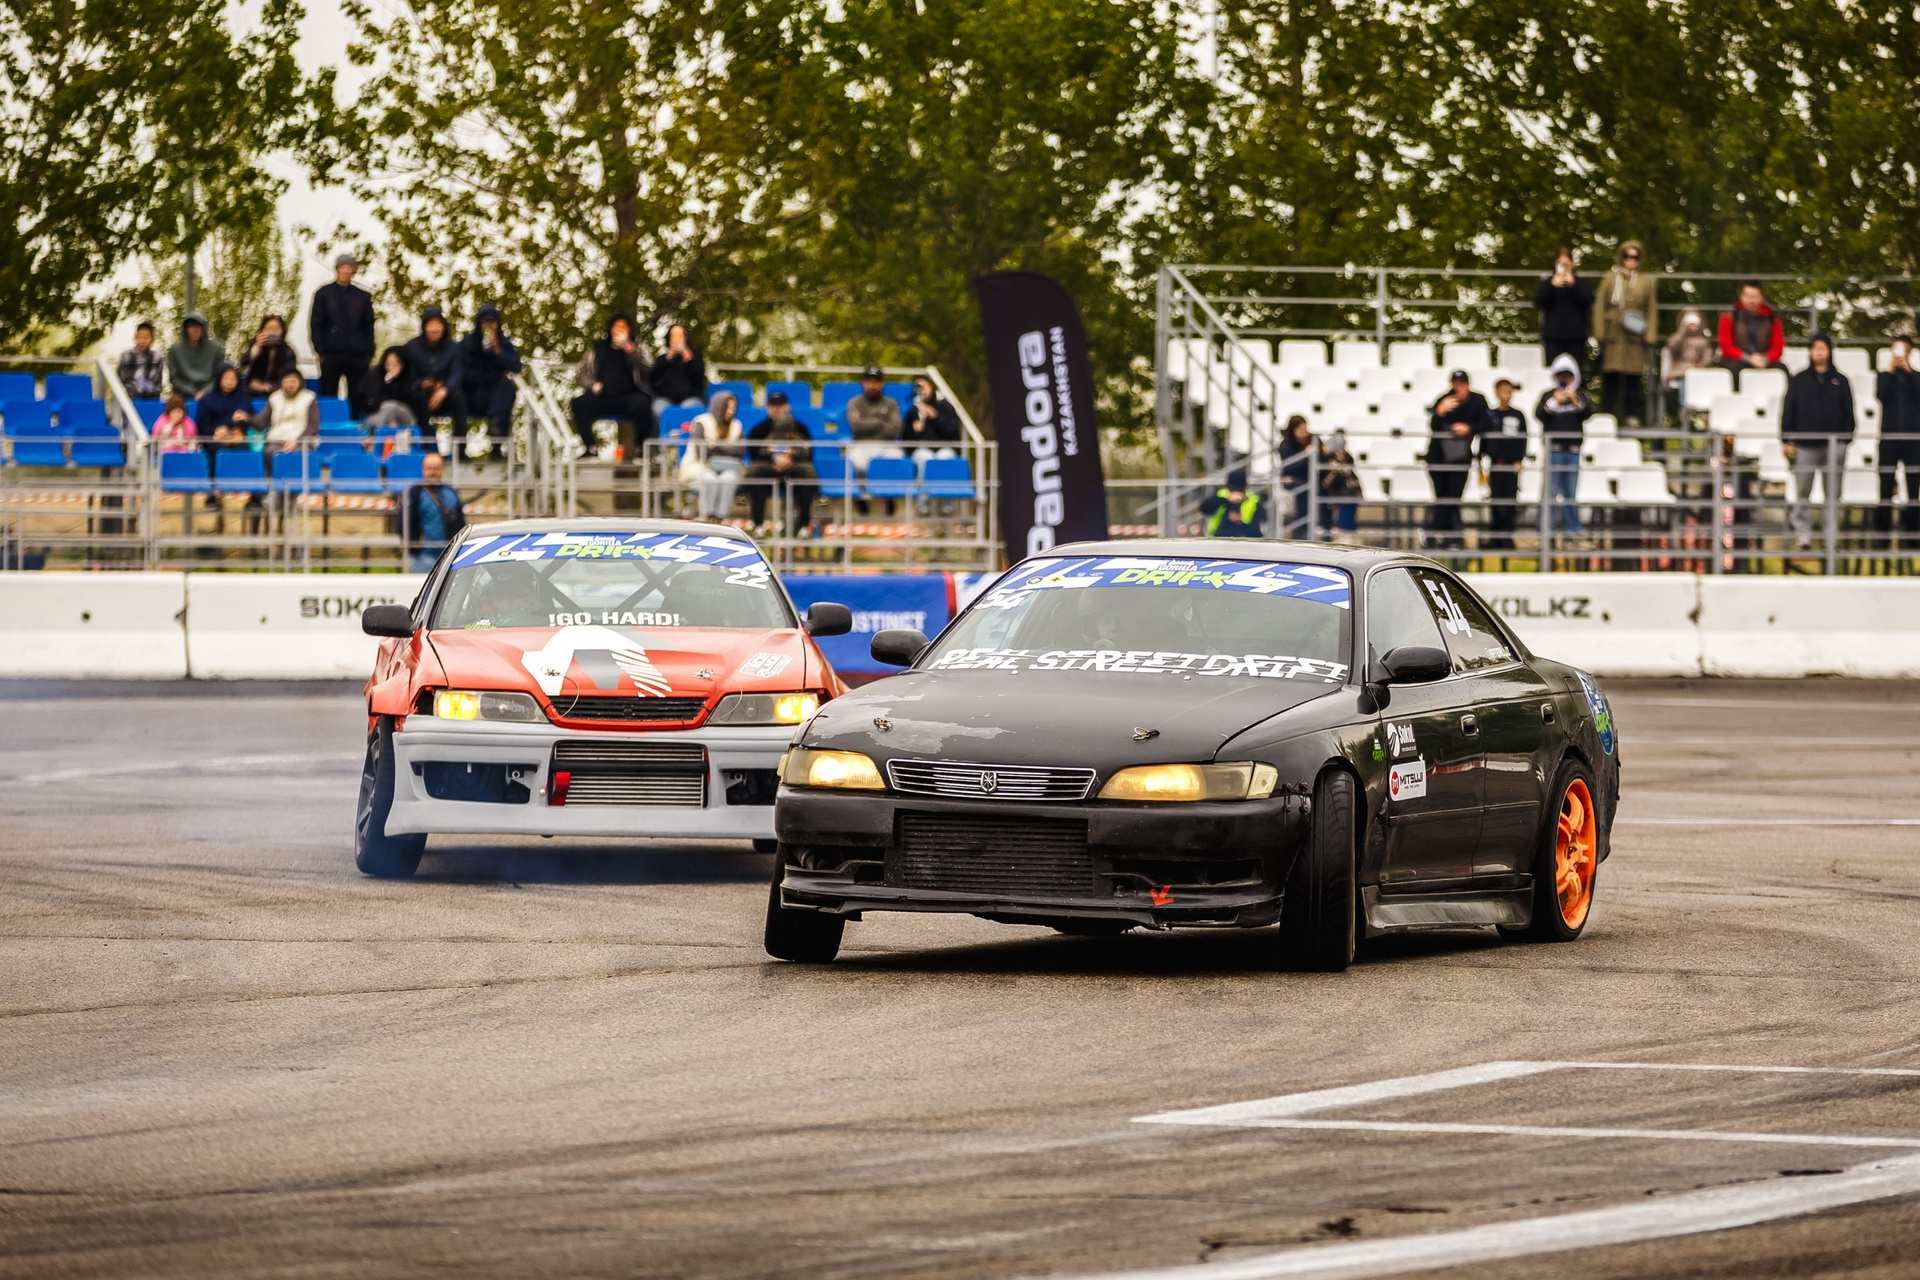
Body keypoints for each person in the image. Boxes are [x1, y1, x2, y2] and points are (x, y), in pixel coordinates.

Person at [1780, 334, 1856, 550]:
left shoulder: (1841, 381)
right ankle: (1802, 536)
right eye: (1816, 348)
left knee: (1832, 495)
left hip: (1834, 446)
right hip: (1805, 445)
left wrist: (1844, 440)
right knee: (1802, 492)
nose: (1819, 352)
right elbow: (1788, 410)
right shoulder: (1799, 380)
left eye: (1823, 348)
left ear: (1830, 351)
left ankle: (1830, 537)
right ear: (1810, 351)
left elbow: (1849, 413)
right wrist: (1786, 439)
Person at [1591, 239, 1657, 425]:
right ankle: (1607, 417)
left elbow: (1651, 309)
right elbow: (1599, 306)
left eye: (1635, 257)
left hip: (1635, 337)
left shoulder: (1645, 281)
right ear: (1621, 257)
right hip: (1613, 337)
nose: (1631, 260)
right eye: (1627, 256)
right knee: (1610, 380)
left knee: (1633, 380)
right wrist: (1599, 333)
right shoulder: (1609, 278)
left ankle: (1631, 417)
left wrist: (1650, 336)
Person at [570, 313, 654, 455]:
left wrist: (629, 349)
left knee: (644, 404)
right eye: (616, 327)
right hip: (604, 396)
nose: (619, 331)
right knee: (578, 404)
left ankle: (640, 448)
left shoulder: (638, 347)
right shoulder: (597, 349)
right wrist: (592, 385)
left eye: (623, 327)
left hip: (630, 397)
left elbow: (649, 368)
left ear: (628, 330)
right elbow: (580, 375)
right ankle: (591, 448)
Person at [1425, 369, 1490, 548]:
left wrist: (1468, 428)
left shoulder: (1477, 401)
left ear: (1468, 385)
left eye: (1461, 384)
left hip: (1460, 458)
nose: (1458, 387)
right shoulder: (1444, 399)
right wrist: (1440, 411)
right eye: (1455, 383)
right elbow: (1433, 425)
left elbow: (1486, 423)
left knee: (1453, 496)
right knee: (1442, 497)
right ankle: (1448, 536)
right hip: (1438, 457)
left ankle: (1435, 531)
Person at [1535, 353, 1595, 539]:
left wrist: (1574, 400)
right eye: (1560, 375)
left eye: (1568, 375)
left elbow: (1589, 413)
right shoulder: (1548, 395)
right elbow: (1539, 414)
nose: (1564, 379)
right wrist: (1555, 401)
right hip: (1554, 450)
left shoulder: (1581, 395)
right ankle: (1547, 530)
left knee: (1570, 492)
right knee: (1550, 492)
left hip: (1573, 451)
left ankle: (1573, 529)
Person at [742, 391, 818, 535]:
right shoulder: (758, 430)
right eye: (773, 405)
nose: (776, 409)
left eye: (780, 405)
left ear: (787, 406)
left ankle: (804, 527)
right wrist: (773, 457)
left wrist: (791, 456)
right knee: (756, 474)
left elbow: (809, 455)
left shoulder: (801, 429)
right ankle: (758, 525)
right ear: (767, 407)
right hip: (769, 473)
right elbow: (754, 455)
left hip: (794, 472)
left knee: (806, 473)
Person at [309, 253, 376, 414]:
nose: (346, 271)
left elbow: (368, 326)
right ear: (337, 269)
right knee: (329, 392)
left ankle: (356, 423)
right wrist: (320, 350)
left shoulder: (362, 296)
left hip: (357, 355)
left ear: (353, 271)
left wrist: (369, 352)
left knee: (358, 394)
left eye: (349, 268)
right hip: (331, 353)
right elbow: (316, 324)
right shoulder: (324, 293)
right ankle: (329, 422)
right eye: (343, 267)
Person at [458, 303, 522, 454]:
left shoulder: (504, 343)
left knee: (506, 387)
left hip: (495, 396)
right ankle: (460, 449)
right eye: (485, 322)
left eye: (492, 322)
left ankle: (497, 443)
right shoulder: (468, 344)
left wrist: (499, 352)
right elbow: (463, 371)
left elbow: (516, 366)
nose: (489, 326)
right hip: (473, 393)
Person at [1875, 336, 1920, 549]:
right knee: (1885, 488)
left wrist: (1908, 371)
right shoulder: (1884, 377)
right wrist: (1891, 370)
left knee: (1913, 489)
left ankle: (1912, 534)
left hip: (1913, 440)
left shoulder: (1916, 377)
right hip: (1889, 439)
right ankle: (1882, 536)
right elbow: (1881, 396)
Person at [677, 389, 747, 521]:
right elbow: (702, 453)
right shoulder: (702, 422)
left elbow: (740, 451)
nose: (731, 411)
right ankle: (707, 517)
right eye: (728, 407)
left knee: (729, 479)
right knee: (710, 479)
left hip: (729, 469)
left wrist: (716, 446)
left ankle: (721, 517)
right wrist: (728, 448)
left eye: (734, 408)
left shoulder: (737, 426)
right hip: (700, 468)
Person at [402, 306, 468, 433]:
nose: (434, 329)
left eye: (438, 324)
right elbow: (408, 374)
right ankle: (425, 440)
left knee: (459, 397)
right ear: (424, 327)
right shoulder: (412, 347)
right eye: (430, 325)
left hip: (446, 393)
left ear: (444, 327)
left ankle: (460, 443)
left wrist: (445, 388)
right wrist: (422, 383)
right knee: (418, 397)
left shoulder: (454, 348)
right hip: (421, 393)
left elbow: (458, 372)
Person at [398, 450, 466, 573]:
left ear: (443, 469)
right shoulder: (414, 493)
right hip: (422, 557)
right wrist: (415, 551)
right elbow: (403, 524)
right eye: (429, 468)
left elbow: (460, 524)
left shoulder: (451, 493)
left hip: (449, 556)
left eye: (437, 468)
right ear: (423, 469)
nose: (433, 472)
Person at [1482, 377, 1530, 549]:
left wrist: (1519, 460)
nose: (1507, 395)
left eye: (1509, 392)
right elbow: (1484, 439)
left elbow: (1523, 439)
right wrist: (1481, 459)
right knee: (1495, 501)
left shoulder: (1518, 415)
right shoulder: (1491, 415)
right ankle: (1495, 537)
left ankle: (1508, 537)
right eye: (1504, 392)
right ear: (1497, 393)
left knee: (1510, 502)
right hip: (1495, 464)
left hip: (1511, 466)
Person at [1534, 248, 1593, 373]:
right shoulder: (1547, 283)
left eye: (1566, 264)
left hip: (1576, 337)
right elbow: (1539, 302)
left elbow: (1589, 300)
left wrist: (1573, 285)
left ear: (1572, 264)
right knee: (1552, 371)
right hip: (1553, 337)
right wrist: (1552, 286)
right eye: (1561, 264)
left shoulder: (1581, 283)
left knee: (1576, 372)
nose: (1564, 267)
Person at [843, 365, 903, 487]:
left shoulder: (891, 403)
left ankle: (886, 495)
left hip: (887, 446)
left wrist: (865, 421)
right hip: (861, 445)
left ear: (882, 384)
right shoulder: (854, 402)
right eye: (869, 381)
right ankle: (863, 494)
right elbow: (856, 425)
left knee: (897, 459)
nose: (872, 385)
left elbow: (895, 430)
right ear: (863, 383)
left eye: (876, 382)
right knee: (856, 462)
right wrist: (880, 421)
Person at [1717, 281, 1786, 374]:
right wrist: (1748, 359)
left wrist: (1764, 359)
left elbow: (1777, 349)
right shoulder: (1728, 317)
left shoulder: (1772, 319)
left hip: (1763, 359)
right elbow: (1726, 347)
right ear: (1741, 297)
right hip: (1737, 359)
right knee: (1734, 369)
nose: (1751, 301)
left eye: (1755, 297)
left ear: (1761, 297)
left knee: (1782, 369)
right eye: (1747, 296)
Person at [1664, 310, 1718, 421]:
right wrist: (1682, 332)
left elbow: (1708, 355)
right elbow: (1671, 346)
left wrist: (1703, 364)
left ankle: (1704, 410)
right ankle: (1685, 407)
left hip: (1699, 371)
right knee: (1686, 380)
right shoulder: (1678, 338)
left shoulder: (1704, 341)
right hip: (1681, 370)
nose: (1692, 327)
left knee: (1706, 382)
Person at [649, 323, 707, 419]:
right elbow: (653, 381)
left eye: (679, 336)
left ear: (685, 338)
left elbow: (699, 377)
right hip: (665, 400)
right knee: (657, 408)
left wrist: (687, 357)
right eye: (673, 336)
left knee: (690, 410)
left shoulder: (695, 357)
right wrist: (666, 361)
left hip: (691, 399)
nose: (676, 340)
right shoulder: (661, 360)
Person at [255, 367, 319, 452]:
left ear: (300, 382)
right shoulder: (274, 398)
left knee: (297, 453)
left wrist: (297, 441)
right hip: (277, 441)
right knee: (271, 452)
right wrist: (247, 418)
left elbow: (313, 426)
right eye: (286, 382)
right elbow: (261, 422)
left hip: (302, 442)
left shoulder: (310, 397)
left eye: (293, 382)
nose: (290, 385)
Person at [899, 374, 961, 460]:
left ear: (931, 387)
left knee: (943, 458)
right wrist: (914, 431)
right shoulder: (913, 411)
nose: (921, 391)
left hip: (945, 448)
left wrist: (936, 417)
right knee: (925, 458)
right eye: (917, 388)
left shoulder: (945, 406)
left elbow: (952, 432)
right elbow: (905, 440)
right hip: (921, 450)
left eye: (923, 387)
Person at [358, 346, 419, 430]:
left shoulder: (408, 376)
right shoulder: (375, 375)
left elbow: (409, 399)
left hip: (403, 417)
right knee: (389, 406)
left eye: (396, 364)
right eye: (388, 364)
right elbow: (373, 401)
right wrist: (388, 380)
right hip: (378, 415)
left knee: (394, 406)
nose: (391, 368)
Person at [166, 312, 224, 398]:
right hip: (182, 394)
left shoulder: (216, 348)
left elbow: (219, 376)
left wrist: (205, 391)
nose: (195, 330)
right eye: (191, 327)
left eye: (198, 327)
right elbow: (174, 378)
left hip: (210, 393)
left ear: (204, 329)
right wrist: (192, 391)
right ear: (186, 329)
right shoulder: (175, 349)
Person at [1316, 430, 1361, 541]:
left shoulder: (1337, 458)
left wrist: (1323, 485)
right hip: (1347, 495)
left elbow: (1332, 478)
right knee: (1347, 524)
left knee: (1345, 525)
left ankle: (1349, 544)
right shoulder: (1344, 456)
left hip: (1346, 495)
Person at [1200, 467, 1268, 538]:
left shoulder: (1253, 501)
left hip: (1244, 541)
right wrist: (1225, 500)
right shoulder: (1220, 496)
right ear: (1246, 485)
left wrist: (1240, 522)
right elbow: (1204, 508)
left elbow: (1258, 532)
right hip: (1217, 539)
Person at [241, 315, 300, 396]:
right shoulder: (256, 345)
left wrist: (267, 387)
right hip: (252, 391)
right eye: (268, 329)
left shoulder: (287, 351)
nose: (271, 333)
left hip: (278, 393)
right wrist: (256, 347)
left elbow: (289, 374)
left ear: (283, 331)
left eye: (275, 329)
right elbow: (243, 362)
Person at [1276, 414, 1315, 538]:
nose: (1304, 433)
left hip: (1311, 483)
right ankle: (1298, 534)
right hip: (1295, 486)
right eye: (1300, 430)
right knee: (1294, 514)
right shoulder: (1286, 445)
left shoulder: (1313, 439)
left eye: (1305, 429)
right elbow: (1288, 467)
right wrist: (1305, 455)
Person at [117, 323, 165, 399]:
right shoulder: (126, 356)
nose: (142, 341)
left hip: (151, 398)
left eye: (146, 338)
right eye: (139, 337)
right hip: (129, 398)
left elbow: (158, 382)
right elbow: (122, 379)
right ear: (135, 338)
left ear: (152, 339)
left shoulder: (157, 357)